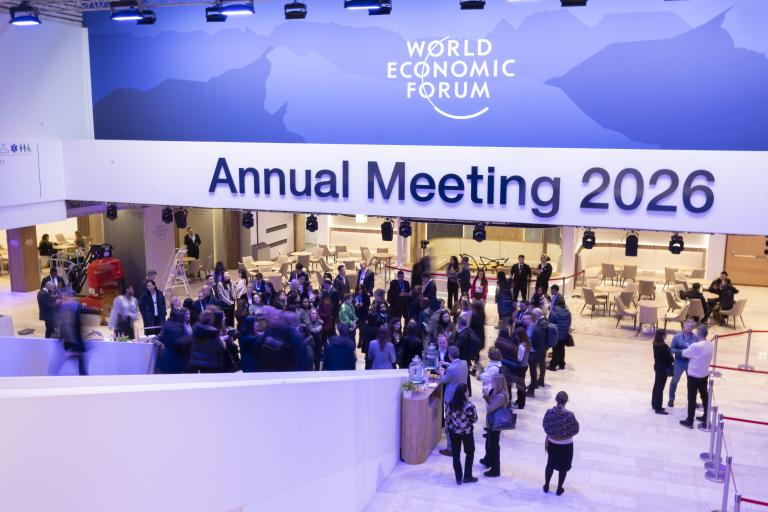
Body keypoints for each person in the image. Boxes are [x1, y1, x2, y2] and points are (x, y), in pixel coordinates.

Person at [543, 391, 579, 496]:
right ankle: (559, 489)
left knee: (550, 464)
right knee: (563, 467)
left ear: (556, 400)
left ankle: (546, 485)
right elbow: (576, 429)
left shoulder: (549, 412)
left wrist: (553, 435)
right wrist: (565, 435)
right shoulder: (569, 415)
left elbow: (545, 426)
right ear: (566, 401)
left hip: (552, 443)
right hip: (566, 445)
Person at [680, 325, 714, 429]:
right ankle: (706, 416)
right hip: (704, 375)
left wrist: (687, 347)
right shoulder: (710, 345)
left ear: (699, 334)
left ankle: (690, 420)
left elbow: (684, 354)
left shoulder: (696, 346)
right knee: (704, 396)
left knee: (691, 398)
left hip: (693, 375)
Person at [445, 383, 478, 485]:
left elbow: (447, 418)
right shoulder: (470, 406)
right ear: (465, 393)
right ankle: (467, 476)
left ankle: (458, 478)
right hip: (467, 433)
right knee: (470, 453)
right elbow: (475, 419)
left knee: (456, 455)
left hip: (454, 433)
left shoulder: (450, 404)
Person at [440, 345, 469, 456]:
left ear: (449, 355)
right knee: (458, 420)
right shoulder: (464, 363)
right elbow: (455, 368)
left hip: (451, 398)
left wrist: (442, 371)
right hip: (462, 396)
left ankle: (450, 448)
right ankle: (457, 444)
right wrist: (447, 365)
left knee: (449, 422)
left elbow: (444, 380)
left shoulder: (450, 369)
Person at [482, 374, 510, 477]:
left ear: (497, 383)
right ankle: (487, 460)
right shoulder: (496, 392)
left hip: (496, 424)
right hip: (492, 422)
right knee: (489, 443)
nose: (491, 383)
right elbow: (491, 404)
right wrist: (486, 397)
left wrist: (486, 399)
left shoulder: (501, 396)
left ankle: (495, 469)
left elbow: (490, 408)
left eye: (493, 381)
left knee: (494, 445)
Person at [668, 320, 696, 408]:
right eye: (688, 326)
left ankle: (691, 400)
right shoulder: (677, 337)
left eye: (691, 327)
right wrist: (681, 352)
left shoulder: (695, 338)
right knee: (675, 381)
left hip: (691, 362)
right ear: (684, 326)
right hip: (679, 362)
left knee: (691, 383)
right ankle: (671, 399)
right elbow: (671, 349)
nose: (690, 328)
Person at [155, 308, 190, 374]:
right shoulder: (179, 327)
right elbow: (155, 339)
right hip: (176, 359)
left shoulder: (168, 326)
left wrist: (160, 344)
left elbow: (155, 339)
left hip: (165, 359)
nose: (187, 316)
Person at [525, 310, 548, 397]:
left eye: (526, 318)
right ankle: (535, 384)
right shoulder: (538, 324)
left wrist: (530, 347)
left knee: (533, 371)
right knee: (535, 370)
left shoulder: (534, 326)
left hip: (535, 352)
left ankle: (532, 390)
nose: (525, 320)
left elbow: (534, 340)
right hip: (539, 351)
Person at [454, 315, 478, 396]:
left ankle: (466, 392)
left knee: (464, 376)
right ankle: (469, 392)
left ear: (459, 324)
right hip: (467, 357)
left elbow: (456, 346)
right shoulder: (469, 330)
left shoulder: (462, 335)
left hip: (463, 357)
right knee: (466, 375)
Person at [651, 329, 674, 414]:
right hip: (662, 369)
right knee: (660, 388)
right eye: (665, 334)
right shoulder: (662, 347)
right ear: (662, 336)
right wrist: (671, 356)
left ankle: (654, 404)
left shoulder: (656, 344)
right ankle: (658, 408)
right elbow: (670, 359)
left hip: (658, 367)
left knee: (656, 386)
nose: (666, 335)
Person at [548, 296, 571, 371]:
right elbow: (569, 323)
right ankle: (562, 364)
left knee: (555, 349)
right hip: (564, 334)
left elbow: (549, 322)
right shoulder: (568, 312)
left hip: (556, 334)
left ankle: (553, 365)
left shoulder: (554, 311)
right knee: (562, 349)